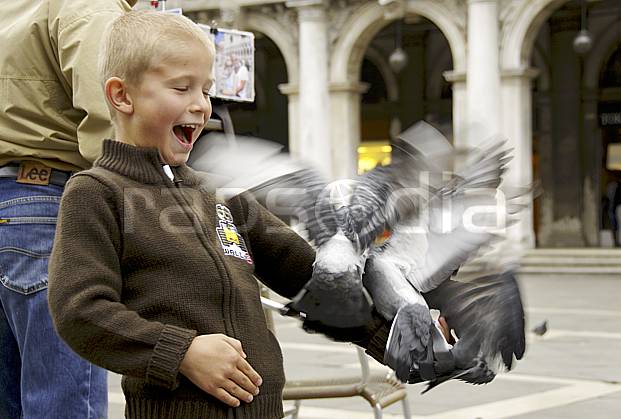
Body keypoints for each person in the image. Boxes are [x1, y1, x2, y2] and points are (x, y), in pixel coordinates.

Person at [47, 11, 391, 418]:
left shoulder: (221, 194)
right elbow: (80, 310)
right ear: (122, 96)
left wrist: (395, 334)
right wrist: (181, 352)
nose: (201, 105)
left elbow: (309, 274)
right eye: (181, 87)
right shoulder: (96, 192)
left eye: (206, 90)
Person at [0, 0, 135, 417]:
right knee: (64, 403)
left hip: (11, 198)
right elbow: (112, 122)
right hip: (48, 201)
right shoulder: (87, 6)